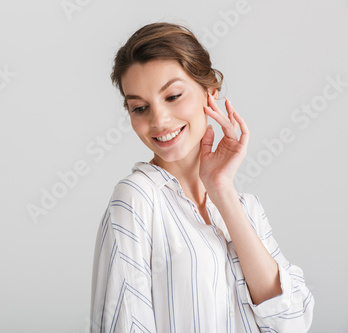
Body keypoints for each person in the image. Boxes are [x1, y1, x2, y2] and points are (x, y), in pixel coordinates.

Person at [89, 22, 314, 332]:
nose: (159, 120)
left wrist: (221, 189)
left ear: (210, 92)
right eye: (140, 107)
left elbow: (293, 322)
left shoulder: (246, 209)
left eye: (173, 96)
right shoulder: (136, 199)